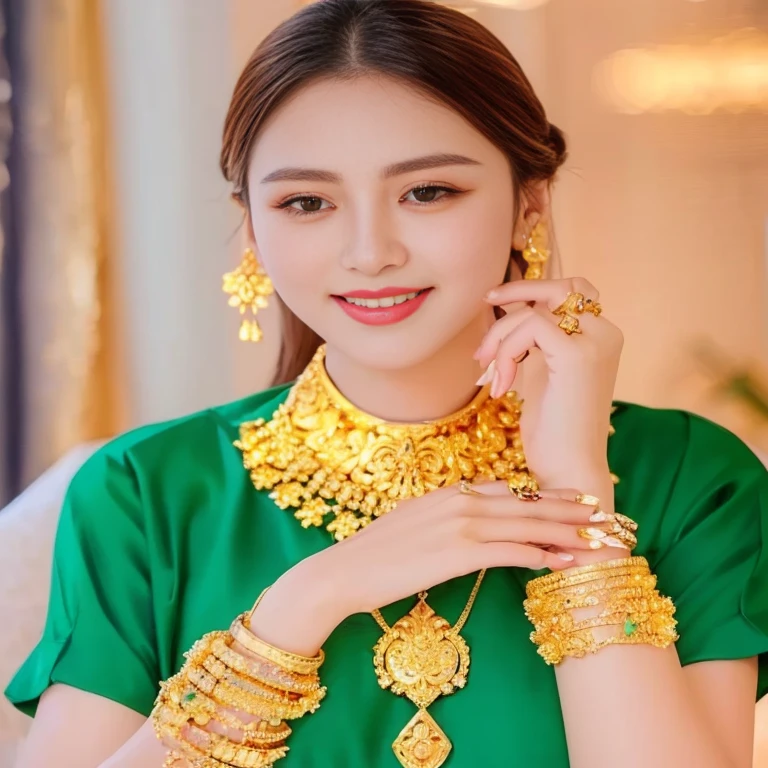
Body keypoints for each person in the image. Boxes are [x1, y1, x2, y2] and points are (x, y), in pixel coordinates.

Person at [6, 1, 768, 766]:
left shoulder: (693, 479)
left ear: (528, 205)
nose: (370, 253)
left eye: (427, 192)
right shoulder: (147, 494)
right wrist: (303, 606)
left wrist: (577, 494)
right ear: (252, 231)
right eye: (307, 202)